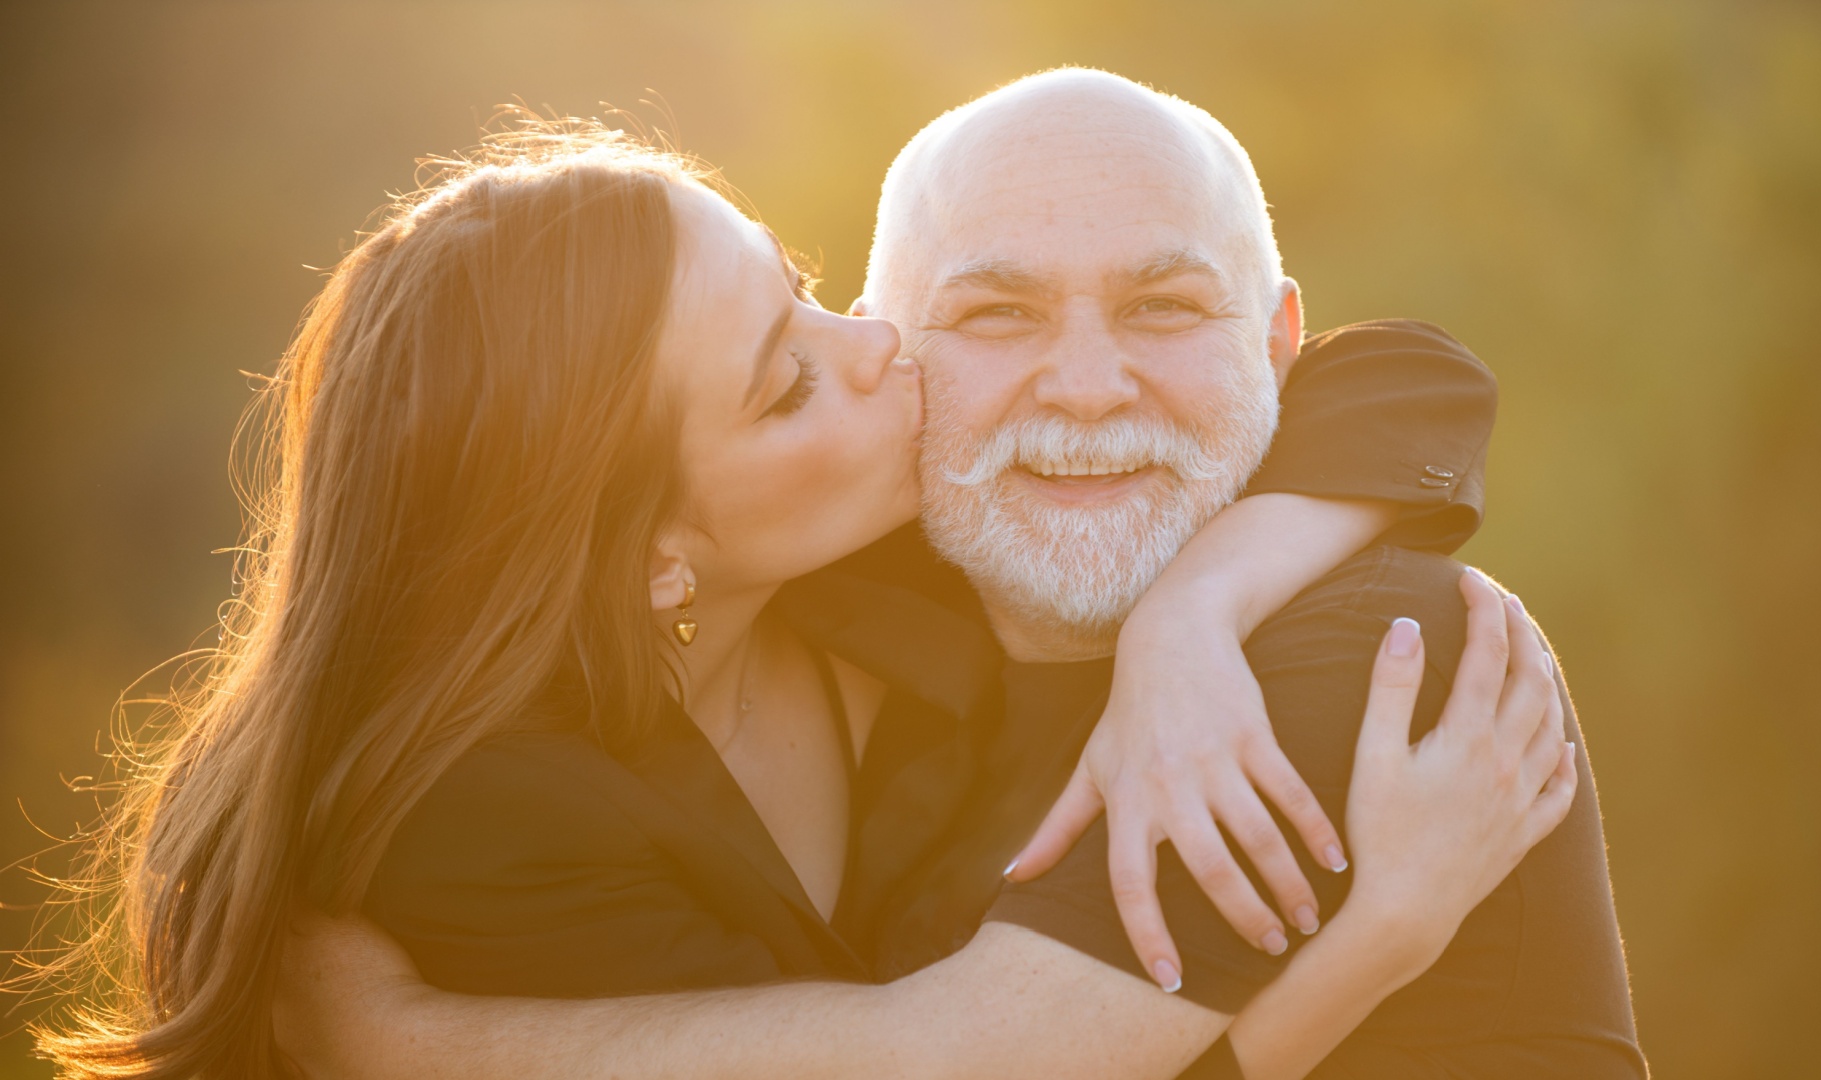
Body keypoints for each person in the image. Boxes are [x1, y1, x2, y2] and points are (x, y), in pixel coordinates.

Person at [265, 71, 1643, 1079]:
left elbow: (1412, 372)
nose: (1090, 387)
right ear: (651, 558)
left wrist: (1193, 610)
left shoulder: (1364, 655)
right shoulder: (535, 801)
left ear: (1278, 347)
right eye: (991, 314)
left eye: (1166, 307)